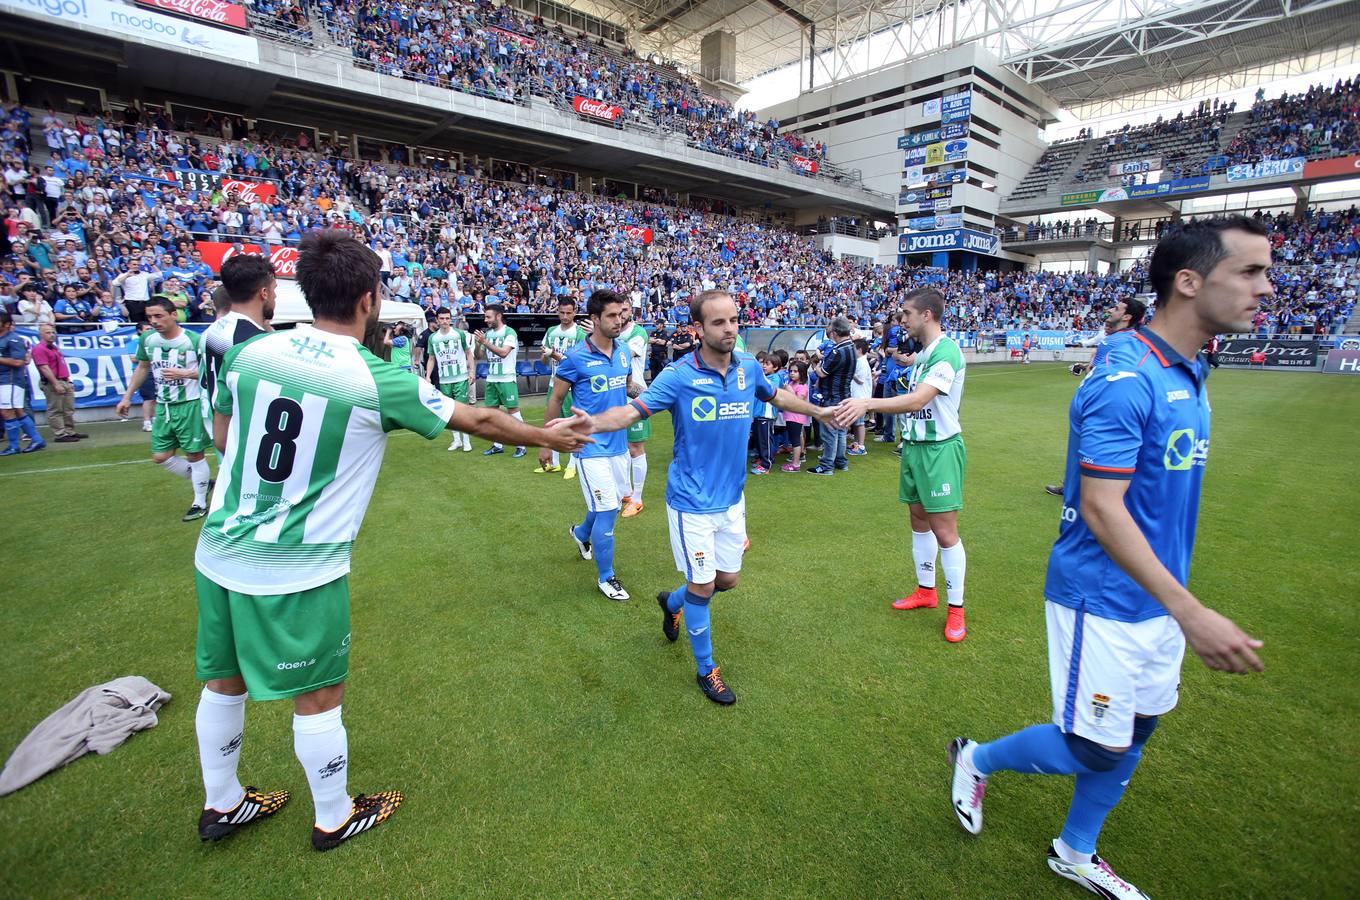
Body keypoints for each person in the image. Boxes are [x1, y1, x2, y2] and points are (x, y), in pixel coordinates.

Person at [191, 230, 592, 853]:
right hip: (299, 567)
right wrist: (552, 437)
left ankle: (221, 802)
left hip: (220, 550)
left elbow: (224, 435)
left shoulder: (250, 355)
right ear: (369, 300)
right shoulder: (378, 378)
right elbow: (481, 418)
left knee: (223, 681)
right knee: (319, 695)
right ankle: (333, 815)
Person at [947, 218, 1271, 899]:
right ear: (1188, 281)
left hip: (1158, 598)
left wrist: (1176, 604)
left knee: (1139, 726)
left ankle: (1075, 849)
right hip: (1103, 595)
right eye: (1249, 272)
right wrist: (1193, 612)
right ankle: (975, 759)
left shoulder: (1188, 367)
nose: (1264, 288)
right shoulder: (1126, 379)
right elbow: (1101, 506)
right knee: (1096, 744)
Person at [588, 290, 830, 704]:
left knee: (727, 581)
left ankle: (672, 602)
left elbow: (778, 396)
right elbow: (632, 411)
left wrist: (820, 413)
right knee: (703, 586)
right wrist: (590, 423)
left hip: (732, 499)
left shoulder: (748, 368)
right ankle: (707, 670)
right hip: (690, 503)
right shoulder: (679, 375)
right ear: (698, 329)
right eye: (719, 323)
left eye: (734, 320)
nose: (730, 329)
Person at [832, 288, 969, 642]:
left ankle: (957, 610)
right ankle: (926, 590)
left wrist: (867, 405)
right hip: (916, 448)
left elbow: (919, 400)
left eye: (906, 313)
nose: (901, 319)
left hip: (939, 449)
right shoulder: (922, 355)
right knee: (919, 521)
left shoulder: (946, 351)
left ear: (926, 314)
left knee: (945, 531)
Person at [547, 289, 634, 602]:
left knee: (607, 502)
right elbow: (556, 398)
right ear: (594, 319)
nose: (618, 321)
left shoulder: (623, 351)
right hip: (589, 446)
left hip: (619, 445)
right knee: (609, 508)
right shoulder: (575, 357)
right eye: (611, 316)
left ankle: (581, 533)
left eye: (620, 315)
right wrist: (547, 444)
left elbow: (626, 388)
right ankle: (606, 578)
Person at [115, 297, 212, 521]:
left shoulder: (194, 340)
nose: (154, 321)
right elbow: (142, 367)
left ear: (173, 315)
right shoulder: (148, 340)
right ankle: (205, 483)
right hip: (164, 407)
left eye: (158, 316)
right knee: (160, 456)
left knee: (194, 455)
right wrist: (127, 397)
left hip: (189, 404)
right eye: (150, 317)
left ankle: (199, 503)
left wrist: (186, 374)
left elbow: (213, 372)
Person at [1046, 297, 1147, 496]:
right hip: (1106, 399)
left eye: (1116, 309)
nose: (1110, 311)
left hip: (1098, 401)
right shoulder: (1130, 339)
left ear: (1126, 317)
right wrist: (1085, 367)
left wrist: (1089, 370)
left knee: (1087, 447)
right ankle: (1077, 486)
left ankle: (1081, 489)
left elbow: (1104, 370)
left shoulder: (1117, 341)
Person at [201, 257, 275, 459]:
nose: (275, 298)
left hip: (221, 430)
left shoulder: (213, 330)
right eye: (274, 290)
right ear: (264, 293)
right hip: (242, 441)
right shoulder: (251, 341)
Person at [537, 297, 587, 473]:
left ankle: (572, 465)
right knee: (552, 423)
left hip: (574, 386)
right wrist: (545, 355)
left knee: (572, 424)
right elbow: (543, 360)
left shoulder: (580, 333)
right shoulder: (551, 331)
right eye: (562, 312)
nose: (565, 316)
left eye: (569, 312)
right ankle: (554, 462)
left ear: (575, 312)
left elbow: (579, 362)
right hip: (554, 382)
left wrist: (555, 355)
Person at [474, 303, 526, 458]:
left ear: (498, 316)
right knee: (492, 413)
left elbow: (504, 353)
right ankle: (497, 445)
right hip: (492, 379)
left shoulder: (509, 332)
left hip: (506, 378)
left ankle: (522, 445)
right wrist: (478, 344)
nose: (485, 320)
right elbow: (479, 356)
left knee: (513, 412)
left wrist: (484, 342)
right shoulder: (488, 334)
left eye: (488, 317)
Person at [808, 316, 856, 475]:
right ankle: (841, 462)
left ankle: (826, 465)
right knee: (841, 430)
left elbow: (822, 373)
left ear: (834, 333)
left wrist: (815, 365)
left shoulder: (837, 351)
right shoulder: (852, 347)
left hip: (831, 396)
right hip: (845, 394)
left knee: (829, 432)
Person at [425, 307, 476, 451]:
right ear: (437, 320)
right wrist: (428, 376)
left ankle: (466, 441)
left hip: (460, 378)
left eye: (447, 318)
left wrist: (471, 371)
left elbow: (469, 353)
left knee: (463, 411)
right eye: (441, 318)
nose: (445, 321)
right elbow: (431, 358)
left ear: (451, 319)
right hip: (444, 379)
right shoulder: (432, 338)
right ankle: (456, 440)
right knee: (448, 411)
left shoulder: (459, 334)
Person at [619, 308, 650, 516]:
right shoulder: (609, 334)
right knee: (619, 447)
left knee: (635, 447)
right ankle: (626, 491)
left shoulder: (637, 333)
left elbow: (623, 356)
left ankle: (637, 499)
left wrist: (599, 338)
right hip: (612, 397)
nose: (620, 315)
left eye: (624, 310)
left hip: (634, 397)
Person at [0, 311, 44, 454]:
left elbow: (19, 362)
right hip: (3, 381)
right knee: (18, 411)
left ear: (7, 324)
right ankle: (37, 440)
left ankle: (14, 446)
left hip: (10, 380)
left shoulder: (14, 340)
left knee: (7, 412)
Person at [32, 323, 85, 442]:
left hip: (64, 380)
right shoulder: (39, 349)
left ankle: (69, 431)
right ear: (41, 334)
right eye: (48, 333)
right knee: (56, 409)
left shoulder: (54, 347)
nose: (51, 335)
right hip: (53, 382)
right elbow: (44, 368)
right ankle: (60, 434)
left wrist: (67, 381)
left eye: (53, 332)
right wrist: (55, 383)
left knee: (68, 408)